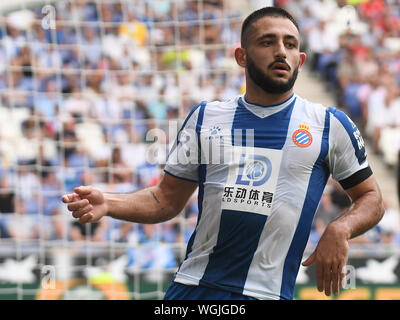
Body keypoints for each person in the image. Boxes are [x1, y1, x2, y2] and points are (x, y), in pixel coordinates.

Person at [62, 7, 385, 300]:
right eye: (267, 42)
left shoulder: (328, 124)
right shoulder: (206, 117)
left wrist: (340, 228)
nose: (280, 51)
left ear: (300, 60)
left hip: (267, 294)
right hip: (192, 289)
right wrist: (110, 203)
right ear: (241, 57)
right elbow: (166, 199)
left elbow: (371, 198)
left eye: (289, 44)